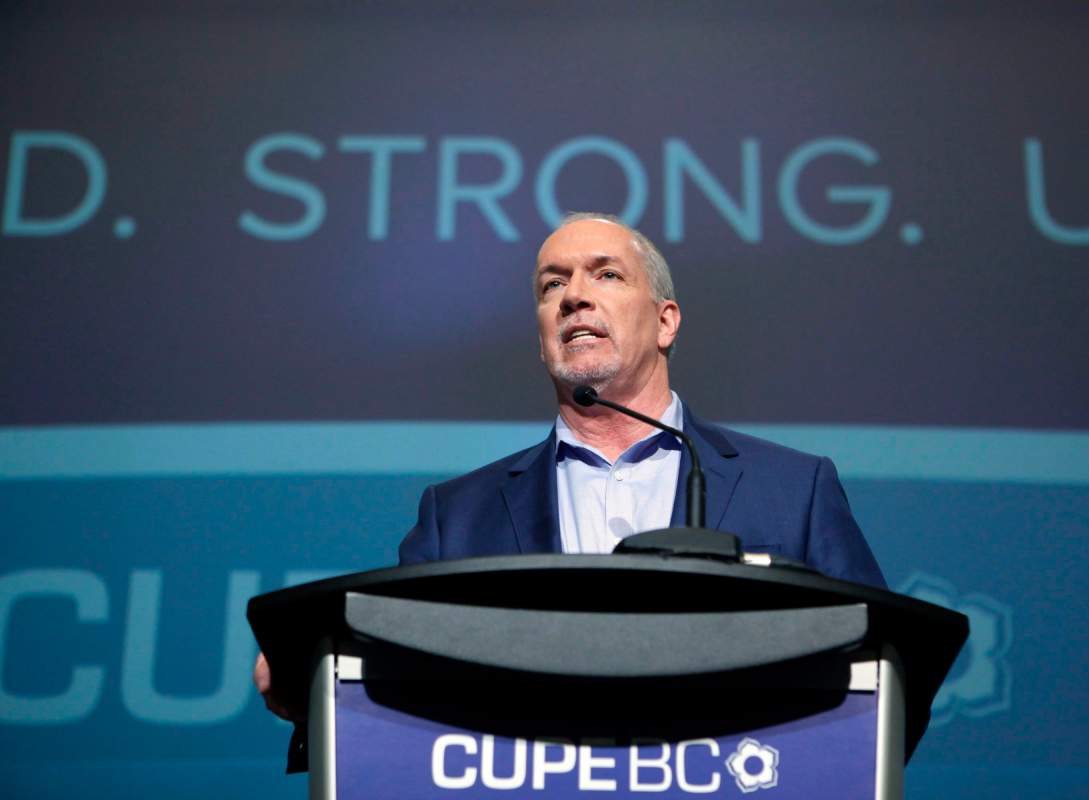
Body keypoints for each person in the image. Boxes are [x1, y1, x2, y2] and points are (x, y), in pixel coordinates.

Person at [254, 212, 885, 736]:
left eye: (606, 274)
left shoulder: (794, 490)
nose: (574, 295)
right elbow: (402, 684)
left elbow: (879, 673)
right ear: (541, 338)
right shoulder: (458, 515)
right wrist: (319, 695)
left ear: (666, 321)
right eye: (552, 286)